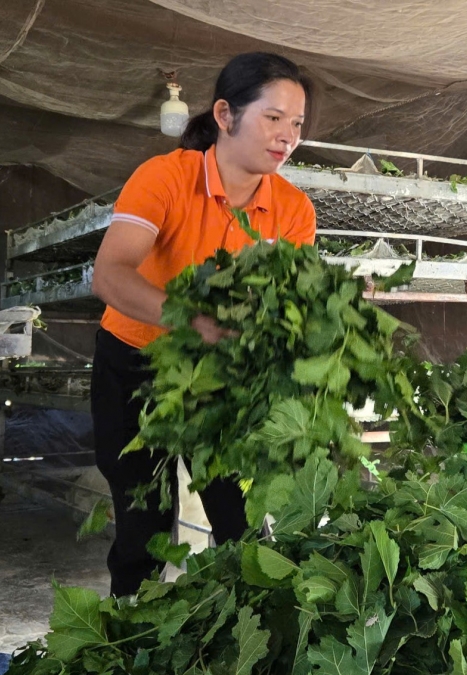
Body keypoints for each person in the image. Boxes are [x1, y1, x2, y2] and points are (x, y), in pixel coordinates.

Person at [90, 52, 316, 596]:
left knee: (240, 518)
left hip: (221, 375)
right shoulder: (165, 177)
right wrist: (193, 319)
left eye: (298, 124)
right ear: (224, 114)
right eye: (274, 117)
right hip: (136, 362)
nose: (287, 135)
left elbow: (285, 303)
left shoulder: (292, 209)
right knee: (143, 521)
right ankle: (130, 630)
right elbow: (111, 275)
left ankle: (239, 627)